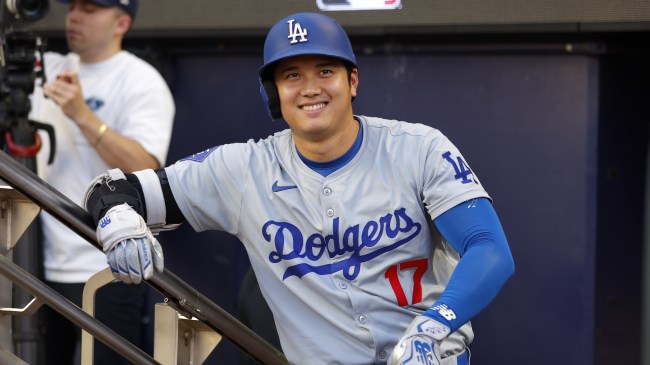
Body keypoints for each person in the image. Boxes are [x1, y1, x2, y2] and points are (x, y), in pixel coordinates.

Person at [82, 12, 514, 365]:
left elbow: (489, 248)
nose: (310, 88)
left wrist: (433, 326)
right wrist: (116, 215)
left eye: (325, 70)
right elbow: (115, 189)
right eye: (292, 75)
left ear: (353, 82)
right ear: (275, 93)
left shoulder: (419, 148)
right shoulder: (244, 168)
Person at [29, 0, 175, 364]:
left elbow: (144, 168)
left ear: (121, 22)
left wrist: (82, 115)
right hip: (34, 260)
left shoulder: (141, 80)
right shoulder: (42, 68)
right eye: (73, 6)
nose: (75, 16)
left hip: (110, 264)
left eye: (91, 8)